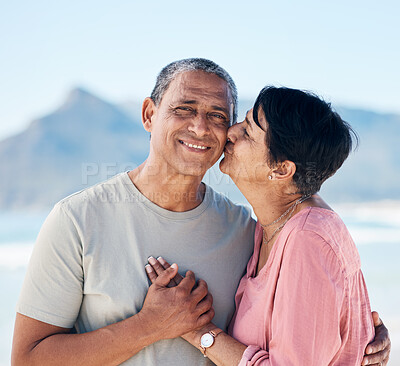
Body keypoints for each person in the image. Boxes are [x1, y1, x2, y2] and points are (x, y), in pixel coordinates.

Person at [12, 59, 389, 365]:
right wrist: (149, 326)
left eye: (219, 116)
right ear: (148, 114)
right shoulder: (76, 220)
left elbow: (312, 238)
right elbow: (26, 358)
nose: (201, 127)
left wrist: (357, 337)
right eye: (184, 109)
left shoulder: (247, 232)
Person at [146, 86, 391, 365]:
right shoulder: (274, 223)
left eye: (248, 132)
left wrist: (196, 330)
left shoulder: (307, 238)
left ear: (281, 170)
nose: (231, 132)